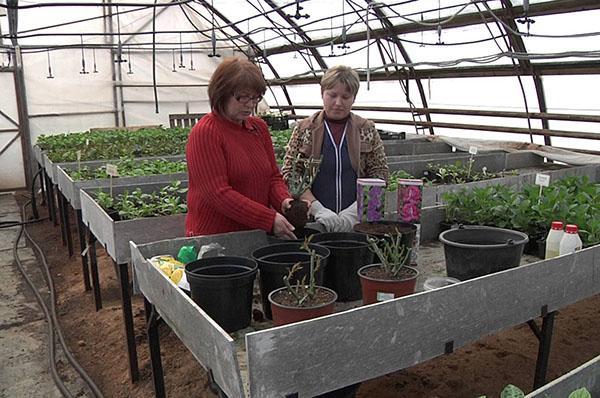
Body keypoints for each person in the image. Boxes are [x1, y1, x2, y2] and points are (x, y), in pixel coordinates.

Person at [185, 57, 296, 240]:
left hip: (254, 234)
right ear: (222, 93)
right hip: (214, 240)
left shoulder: (259, 128)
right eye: (242, 97)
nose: (250, 104)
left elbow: (272, 177)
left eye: (255, 97)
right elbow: (218, 194)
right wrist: (268, 219)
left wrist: (284, 201)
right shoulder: (205, 133)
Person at [282, 65, 389, 232]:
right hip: (315, 222)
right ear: (322, 93)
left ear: (354, 98)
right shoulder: (305, 130)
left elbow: (380, 175)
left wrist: (356, 210)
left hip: (358, 222)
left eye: (346, 97)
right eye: (332, 95)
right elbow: (291, 175)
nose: (338, 103)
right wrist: (317, 208)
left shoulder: (365, 130)